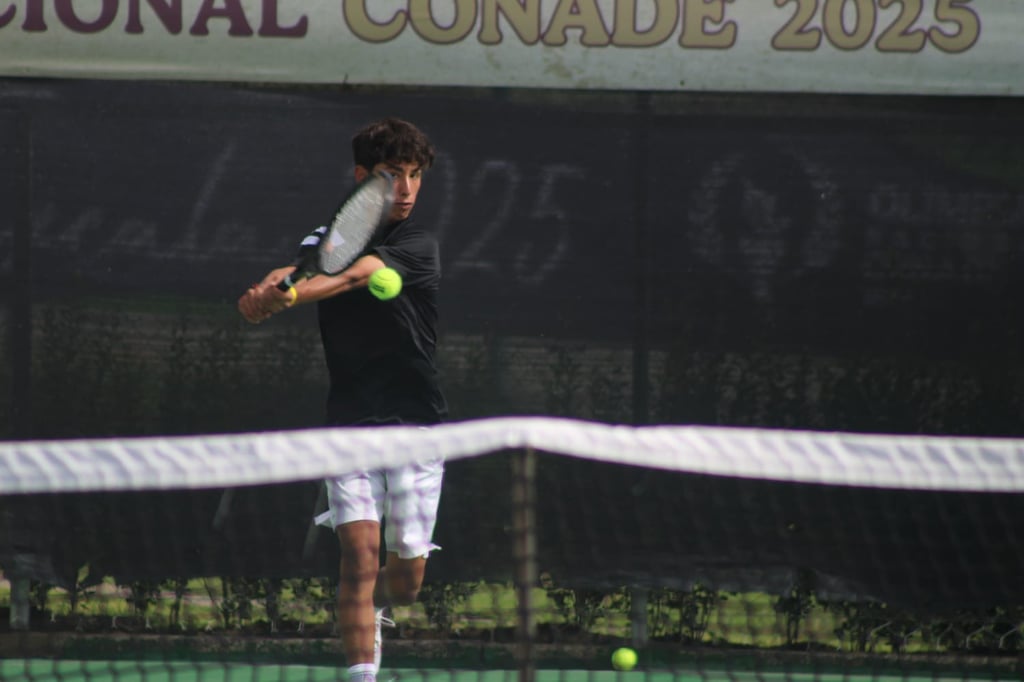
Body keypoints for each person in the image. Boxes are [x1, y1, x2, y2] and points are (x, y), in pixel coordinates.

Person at [237, 117, 447, 682]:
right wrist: (267, 288)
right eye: (391, 175)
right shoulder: (330, 233)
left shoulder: (417, 243)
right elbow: (301, 264)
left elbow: (352, 277)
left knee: (404, 582)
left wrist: (290, 296)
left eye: (414, 175)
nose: (404, 189)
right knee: (358, 560)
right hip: (349, 423)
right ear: (362, 178)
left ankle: (371, 607)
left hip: (416, 424)